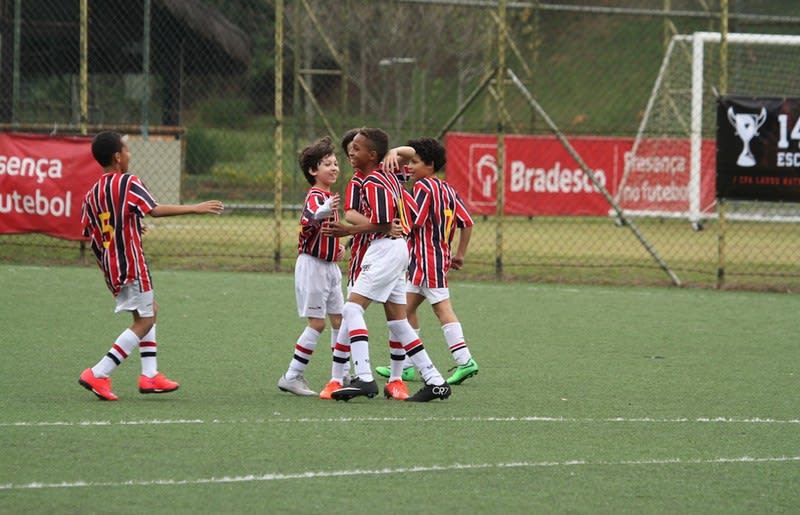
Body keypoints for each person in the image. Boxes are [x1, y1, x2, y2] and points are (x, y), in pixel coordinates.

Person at [78, 131, 224, 401]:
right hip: (132, 265)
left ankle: (149, 375)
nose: (130, 155)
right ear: (117, 157)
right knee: (146, 320)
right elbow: (153, 209)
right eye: (127, 150)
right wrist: (195, 208)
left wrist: (111, 257)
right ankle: (99, 373)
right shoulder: (128, 182)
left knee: (148, 312)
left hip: (112, 268)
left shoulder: (92, 194)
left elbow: (96, 232)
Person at [324, 128, 452, 402]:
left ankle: (365, 378)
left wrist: (347, 230)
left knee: (351, 308)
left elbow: (384, 223)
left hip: (384, 250)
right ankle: (435, 380)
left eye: (357, 149)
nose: (351, 153)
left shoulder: (373, 182)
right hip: (395, 250)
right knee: (398, 321)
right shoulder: (386, 175)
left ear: (372, 155)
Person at [375, 137, 478, 385]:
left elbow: (414, 221)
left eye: (414, 162)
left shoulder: (423, 188)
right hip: (431, 258)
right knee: (404, 310)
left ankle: (465, 361)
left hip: (427, 259)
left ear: (429, 165)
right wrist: (460, 253)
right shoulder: (448, 189)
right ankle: (407, 366)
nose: (408, 167)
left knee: (441, 308)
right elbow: (467, 222)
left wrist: (389, 225)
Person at [278, 136, 346, 397]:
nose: (334, 167)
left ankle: (339, 375)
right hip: (312, 267)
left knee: (340, 321)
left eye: (335, 162)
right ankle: (292, 376)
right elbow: (310, 219)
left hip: (330, 267)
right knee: (317, 324)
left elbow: (323, 231)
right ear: (312, 170)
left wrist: (337, 247)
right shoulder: (316, 197)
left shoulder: (328, 197)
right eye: (327, 163)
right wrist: (326, 208)